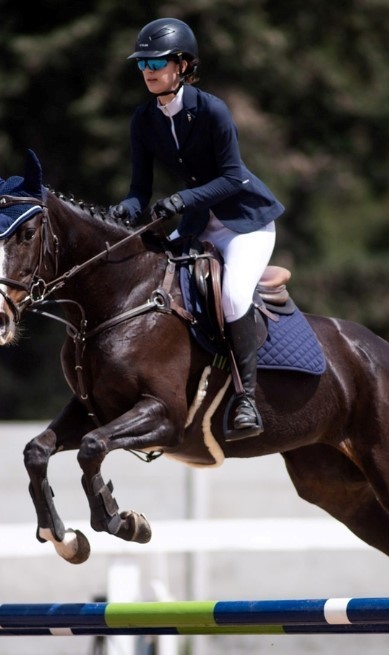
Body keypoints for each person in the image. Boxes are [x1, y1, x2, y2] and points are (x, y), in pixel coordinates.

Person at [110, 17, 284, 441]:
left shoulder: (212, 110)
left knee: (231, 294)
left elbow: (232, 177)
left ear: (183, 65)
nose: (148, 70)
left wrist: (182, 200)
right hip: (199, 225)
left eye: (157, 61)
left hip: (246, 223)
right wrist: (122, 211)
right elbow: (139, 190)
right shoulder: (143, 120)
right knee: (153, 281)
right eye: (141, 64)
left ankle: (246, 400)